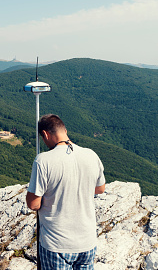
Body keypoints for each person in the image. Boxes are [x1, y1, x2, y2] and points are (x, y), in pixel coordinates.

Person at [26, 114, 105, 270]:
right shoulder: (91, 154)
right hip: (87, 242)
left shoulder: (43, 160)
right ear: (65, 130)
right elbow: (100, 189)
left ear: (46, 134)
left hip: (57, 244)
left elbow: (33, 204)